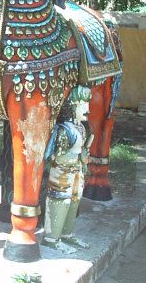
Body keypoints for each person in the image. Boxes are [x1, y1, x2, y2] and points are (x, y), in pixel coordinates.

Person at [42, 86, 93, 254]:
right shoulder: (64, 130)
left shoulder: (82, 129)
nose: (87, 108)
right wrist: (78, 157)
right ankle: (51, 238)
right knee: (60, 201)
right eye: (82, 104)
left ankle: (67, 234)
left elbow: (81, 152)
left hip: (77, 172)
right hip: (61, 174)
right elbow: (57, 156)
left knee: (74, 201)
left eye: (87, 103)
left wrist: (84, 156)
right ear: (72, 106)